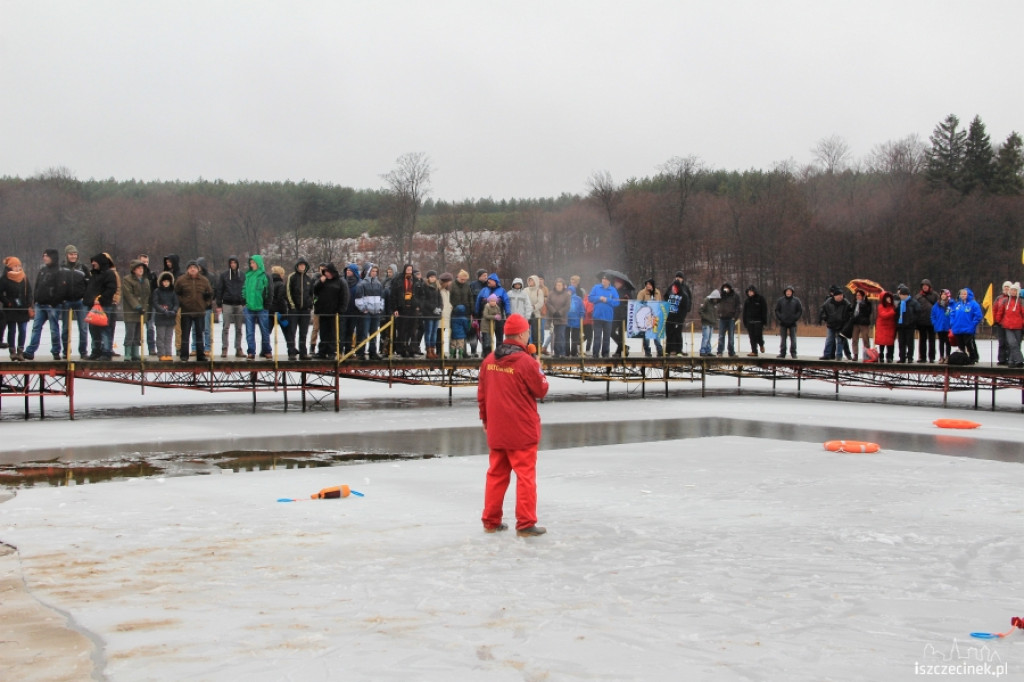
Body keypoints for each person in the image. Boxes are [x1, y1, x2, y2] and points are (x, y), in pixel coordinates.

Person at [477, 312, 549, 537]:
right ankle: (526, 523)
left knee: (496, 475)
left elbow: (482, 395)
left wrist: (486, 421)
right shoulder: (525, 362)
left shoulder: (489, 361)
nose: (529, 335)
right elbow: (541, 389)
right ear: (521, 334)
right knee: (525, 476)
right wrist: (539, 369)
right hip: (521, 431)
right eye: (527, 331)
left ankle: (491, 520)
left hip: (498, 429)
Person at [23, 249, 67, 361]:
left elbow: (61, 290)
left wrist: (54, 302)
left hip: (52, 305)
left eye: (46, 256)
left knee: (54, 329)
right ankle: (30, 351)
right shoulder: (42, 270)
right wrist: (36, 300)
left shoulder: (59, 271)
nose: (44, 258)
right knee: (36, 327)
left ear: (52, 257)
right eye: (44, 256)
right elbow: (37, 286)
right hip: (40, 304)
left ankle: (56, 351)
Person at [174, 260, 213, 362]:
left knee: (200, 334)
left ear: (198, 269)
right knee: (185, 334)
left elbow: (210, 293)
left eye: (194, 267)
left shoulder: (204, 280)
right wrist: (182, 302)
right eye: (190, 267)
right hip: (186, 311)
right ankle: (184, 355)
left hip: (200, 311)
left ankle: (201, 355)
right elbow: (176, 293)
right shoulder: (181, 280)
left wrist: (206, 303)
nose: (192, 269)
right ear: (187, 269)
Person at [61, 245, 91, 360]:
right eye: (71, 254)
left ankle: (83, 351)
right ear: (66, 255)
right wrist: (61, 298)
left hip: (80, 301)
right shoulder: (61, 268)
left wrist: (86, 297)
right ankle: (66, 351)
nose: (73, 256)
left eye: (75, 254)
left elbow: (89, 284)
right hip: (66, 301)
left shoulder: (83, 268)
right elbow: (58, 284)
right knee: (65, 328)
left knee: (83, 328)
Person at [0, 257, 32, 361]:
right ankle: (12, 351)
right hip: (11, 308)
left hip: (22, 308)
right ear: (10, 267)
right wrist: (7, 302)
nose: (17, 268)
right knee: (12, 330)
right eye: (15, 266)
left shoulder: (24, 278)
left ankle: (20, 351)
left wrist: (29, 304)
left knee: (22, 330)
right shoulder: (4, 278)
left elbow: (29, 292)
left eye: (19, 266)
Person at [313, 263, 347, 359]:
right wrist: (320, 282)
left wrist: (341, 310)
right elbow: (315, 291)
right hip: (323, 311)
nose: (327, 274)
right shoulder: (322, 281)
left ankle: (332, 352)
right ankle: (322, 351)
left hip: (334, 312)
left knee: (332, 333)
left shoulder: (340, 282)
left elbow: (344, 296)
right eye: (325, 272)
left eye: (328, 272)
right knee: (323, 332)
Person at [242, 255, 273, 360]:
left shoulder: (265, 276)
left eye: (253, 263)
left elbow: (269, 291)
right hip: (249, 307)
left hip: (262, 307)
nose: (252, 265)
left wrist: (267, 304)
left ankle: (267, 350)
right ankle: (251, 352)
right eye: (250, 263)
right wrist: (244, 300)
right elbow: (244, 288)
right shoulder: (248, 275)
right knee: (249, 331)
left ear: (259, 263)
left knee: (265, 330)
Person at [215, 256, 246, 358]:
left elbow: (245, 288)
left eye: (234, 263)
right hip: (227, 303)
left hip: (239, 304)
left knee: (239, 328)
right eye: (231, 263)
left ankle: (238, 348)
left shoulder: (242, 275)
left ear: (237, 264)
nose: (233, 264)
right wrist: (219, 304)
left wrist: (244, 301)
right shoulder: (224, 275)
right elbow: (219, 289)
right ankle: (224, 348)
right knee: (225, 327)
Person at [121, 259, 151, 362]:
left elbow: (147, 296)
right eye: (138, 268)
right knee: (130, 333)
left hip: (142, 312)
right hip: (131, 311)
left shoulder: (146, 280)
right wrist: (137, 306)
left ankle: (136, 353)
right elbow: (129, 295)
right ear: (133, 270)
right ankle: (127, 353)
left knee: (138, 333)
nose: (140, 270)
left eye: (142, 268)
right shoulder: (127, 280)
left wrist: (145, 308)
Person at [354, 264, 386, 359]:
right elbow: (358, 299)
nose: (374, 273)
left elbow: (382, 298)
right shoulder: (362, 284)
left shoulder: (379, 284)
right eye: (373, 271)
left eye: (376, 271)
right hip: (366, 312)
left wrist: (380, 308)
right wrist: (363, 309)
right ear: (368, 272)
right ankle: (360, 352)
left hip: (376, 312)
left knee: (374, 333)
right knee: (363, 332)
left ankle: (372, 352)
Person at [285, 258, 314, 360]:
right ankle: (291, 352)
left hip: (305, 310)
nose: (302, 267)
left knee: (304, 332)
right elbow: (288, 291)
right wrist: (291, 305)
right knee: (291, 331)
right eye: (300, 265)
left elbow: (312, 294)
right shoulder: (292, 277)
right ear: (297, 266)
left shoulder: (308, 279)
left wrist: (310, 305)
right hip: (294, 309)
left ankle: (303, 353)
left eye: (304, 265)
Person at [390, 264, 421, 358]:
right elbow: (393, 295)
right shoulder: (398, 280)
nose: (409, 271)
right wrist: (395, 308)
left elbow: (421, 295)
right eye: (407, 269)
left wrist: (418, 305)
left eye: (410, 269)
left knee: (413, 330)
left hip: (413, 308)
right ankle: (402, 349)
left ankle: (412, 349)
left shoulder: (416, 281)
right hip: (402, 308)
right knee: (402, 330)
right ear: (404, 270)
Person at [475, 273, 511, 353]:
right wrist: (476, 312)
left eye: (490, 280)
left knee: (499, 337)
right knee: (486, 338)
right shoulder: (484, 290)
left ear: (495, 281)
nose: (488, 281)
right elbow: (478, 301)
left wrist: (508, 313)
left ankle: (499, 353)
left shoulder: (502, 291)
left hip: (498, 318)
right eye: (488, 280)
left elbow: (507, 302)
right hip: (486, 319)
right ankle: (486, 354)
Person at [588, 274, 619, 358]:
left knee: (606, 337)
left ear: (609, 281)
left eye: (605, 279)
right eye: (603, 279)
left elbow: (617, 302)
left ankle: (605, 353)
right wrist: (599, 298)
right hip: (597, 316)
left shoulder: (613, 290)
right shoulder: (596, 287)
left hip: (608, 317)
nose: (603, 280)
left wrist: (607, 300)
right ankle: (595, 353)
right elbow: (590, 298)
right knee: (597, 336)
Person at [818, 285, 852, 361]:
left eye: (841, 295)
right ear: (835, 296)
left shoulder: (846, 303)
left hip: (842, 325)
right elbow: (823, 310)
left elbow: (850, 312)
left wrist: (846, 321)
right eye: (839, 295)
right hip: (831, 324)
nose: (840, 297)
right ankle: (826, 355)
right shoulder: (828, 302)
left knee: (840, 340)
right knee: (829, 340)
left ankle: (839, 356)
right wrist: (824, 318)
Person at [950, 287, 982, 364]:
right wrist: (953, 323)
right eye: (962, 294)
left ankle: (973, 358)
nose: (963, 295)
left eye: (965, 294)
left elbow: (978, 316)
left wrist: (973, 324)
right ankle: (963, 359)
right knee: (960, 345)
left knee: (969, 344)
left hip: (968, 328)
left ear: (968, 295)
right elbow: (952, 314)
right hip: (958, 328)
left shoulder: (973, 304)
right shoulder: (957, 305)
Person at [152, 272, 179, 361]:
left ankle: (168, 353)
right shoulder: (157, 291)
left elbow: (176, 303)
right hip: (161, 317)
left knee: (169, 337)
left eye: (168, 281)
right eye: (164, 281)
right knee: (160, 337)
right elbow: (155, 303)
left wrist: (174, 311)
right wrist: (163, 310)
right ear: (161, 282)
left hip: (170, 317)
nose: (166, 283)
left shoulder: (173, 292)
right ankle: (161, 354)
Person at [636, 278, 663, 357]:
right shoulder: (642, 293)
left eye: (649, 284)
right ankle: (647, 351)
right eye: (647, 284)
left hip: (655, 317)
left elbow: (660, 303)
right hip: (646, 317)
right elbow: (638, 304)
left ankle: (660, 350)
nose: (648, 286)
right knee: (646, 336)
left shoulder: (657, 292)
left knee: (656, 334)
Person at [665, 272, 690, 356]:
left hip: (679, 315)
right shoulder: (670, 289)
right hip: (670, 314)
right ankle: (669, 349)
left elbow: (687, 302)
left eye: (679, 277)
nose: (678, 279)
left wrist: (683, 314)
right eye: (676, 277)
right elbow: (665, 296)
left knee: (677, 332)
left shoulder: (684, 291)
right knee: (669, 332)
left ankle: (678, 349)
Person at [1000, 283, 1024, 368]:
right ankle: (1019, 360)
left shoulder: (1021, 301)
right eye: (1012, 290)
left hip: (1018, 326)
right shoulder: (1005, 301)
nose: (1013, 292)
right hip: (1008, 326)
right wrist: (998, 321)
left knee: (1016, 344)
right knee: (1012, 343)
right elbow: (1001, 312)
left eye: (1015, 290)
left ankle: (1011, 361)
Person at [774, 285, 802, 359]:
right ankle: (782, 353)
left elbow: (799, 310)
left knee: (793, 339)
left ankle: (793, 353)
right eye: (787, 291)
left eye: (790, 291)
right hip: (783, 322)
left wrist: (795, 318)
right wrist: (780, 317)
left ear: (792, 292)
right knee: (783, 339)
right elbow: (777, 310)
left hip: (793, 323)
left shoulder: (796, 300)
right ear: (785, 292)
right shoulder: (780, 300)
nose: (788, 293)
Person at [915, 279, 939, 363]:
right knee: (922, 340)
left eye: (926, 285)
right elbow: (916, 310)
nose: (925, 287)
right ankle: (922, 357)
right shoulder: (918, 297)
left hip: (932, 322)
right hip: (921, 322)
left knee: (932, 340)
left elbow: (938, 308)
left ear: (929, 286)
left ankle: (932, 357)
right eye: (923, 286)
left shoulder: (935, 295)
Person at [895, 285, 920, 364]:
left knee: (910, 342)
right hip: (901, 325)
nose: (900, 296)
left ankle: (910, 357)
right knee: (901, 342)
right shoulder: (900, 303)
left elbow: (918, 312)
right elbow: (897, 313)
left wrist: (912, 321)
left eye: (901, 294)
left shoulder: (913, 302)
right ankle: (902, 357)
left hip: (910, 326)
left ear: (905, 294)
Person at [546, 277, 571, 357]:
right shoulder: (551, 293)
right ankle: (556, 352)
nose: (558, 286)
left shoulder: (566, 295)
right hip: (553, 318)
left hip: (562, 318)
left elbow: (567, 306)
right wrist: (554, 311)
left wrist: (560, 312)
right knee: (554, 336)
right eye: (557, 285)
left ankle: (562, 352)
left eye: (560, 285)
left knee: (561, 335)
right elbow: (548, 303)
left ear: (563, 286)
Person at [421, 271, 442, 359]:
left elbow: (440, 300)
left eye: (434, 277)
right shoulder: (425, 287)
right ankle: (428, 350)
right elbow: (424, 301)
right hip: (428, 313)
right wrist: (433, 308)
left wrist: (440, 308)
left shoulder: (437, 287)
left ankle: (433, 349)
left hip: (436, 314)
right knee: (428, 332)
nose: (433, 278)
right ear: (428, 278)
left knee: (434, 332)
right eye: (431, 277)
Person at [716, 282, 741, 357]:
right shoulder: (721, 295)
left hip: (731, 318)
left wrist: (735, 317)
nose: (725, 289)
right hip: (722, 318)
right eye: (724, 287)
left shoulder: (735, 296)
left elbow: (738, 307)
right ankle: (719, 352)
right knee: (721, 336)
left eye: (727, 287)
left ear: (730, 288)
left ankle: (731, 352)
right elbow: (715, 302)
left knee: (731, 337)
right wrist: (722, 294)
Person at [742, 285, 768, 357]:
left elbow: (764, 310)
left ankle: (761, 344)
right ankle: (754, 351)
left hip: (758, 321)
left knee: (758, 335)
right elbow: (744, 312)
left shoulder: (760, 299)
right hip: (749, 321)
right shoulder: (747, 301)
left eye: (751, 292)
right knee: (751, 337)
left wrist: (764, 321)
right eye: (749, 292)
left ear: (754, 292)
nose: (750, 293)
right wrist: (745, 321)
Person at [849, 289, 873, 361]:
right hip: (855, 323)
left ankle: (867, 354)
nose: (857, 297)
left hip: (863, 323)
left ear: (862, 296)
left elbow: (868, 312)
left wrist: (863, 305)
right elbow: (852, 311)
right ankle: (855, 354)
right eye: (857, 295)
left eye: (859, 295)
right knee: (854, 339)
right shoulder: (855, 303)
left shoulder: (867, 303)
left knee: (865, 339)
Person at [993, 281, 1013, 365]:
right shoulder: (999, 298)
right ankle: (1001, 359)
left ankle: (1009, 358)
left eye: (1008, 287)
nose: (1006, 288)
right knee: (1001, 342)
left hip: (1010, 324)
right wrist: (995, 320)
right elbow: (994, 309)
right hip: (1000, 323)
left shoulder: (1013, 298)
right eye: (1005, 287)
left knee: (1009, 342)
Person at [931, 289, 953, 363]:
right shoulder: (936, 305)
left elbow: (954, 315)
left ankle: (948, 356)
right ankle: (941, 357)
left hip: (948, 327)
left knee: (948, 342)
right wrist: (935, 323)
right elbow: (933, 316)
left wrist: (952, 324)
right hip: (940, 326)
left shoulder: (951, 304)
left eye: (945, 294)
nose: (943, 296)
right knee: (941, 342)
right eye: (942, 294)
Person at [874, 291, 897, 363]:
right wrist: (893, 311)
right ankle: (881, 356)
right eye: (887, 298)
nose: (889, 299)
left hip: (891, 326)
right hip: (882, 326)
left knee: (890, 343)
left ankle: (889, 356)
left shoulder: (893, 306)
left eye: (890, 297)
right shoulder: (881, 306)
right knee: (882, 342)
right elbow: (884, 315)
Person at [699, 289, 720, 357]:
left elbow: (714, 314)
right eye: (715, 298)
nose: (716, 300)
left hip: (712, 323)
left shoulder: (714, 304)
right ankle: (702, 351)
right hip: (706, 323)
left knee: (709, 338)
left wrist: (714, 321)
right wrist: (706, 318)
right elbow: (700, 311)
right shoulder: (706, 301)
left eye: (717, 299)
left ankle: (708, 351)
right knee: (706, 337)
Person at [566, 285, 584, 357]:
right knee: (566, 337)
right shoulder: (565, 298)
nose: (569, 292)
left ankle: (574, 352)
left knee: (575, 338)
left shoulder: (578, 299)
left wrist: (581, 316)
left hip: (576, 320)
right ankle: (566, 352)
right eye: (568, 290)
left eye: (571, 290)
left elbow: (581, 309)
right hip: (566, 321)